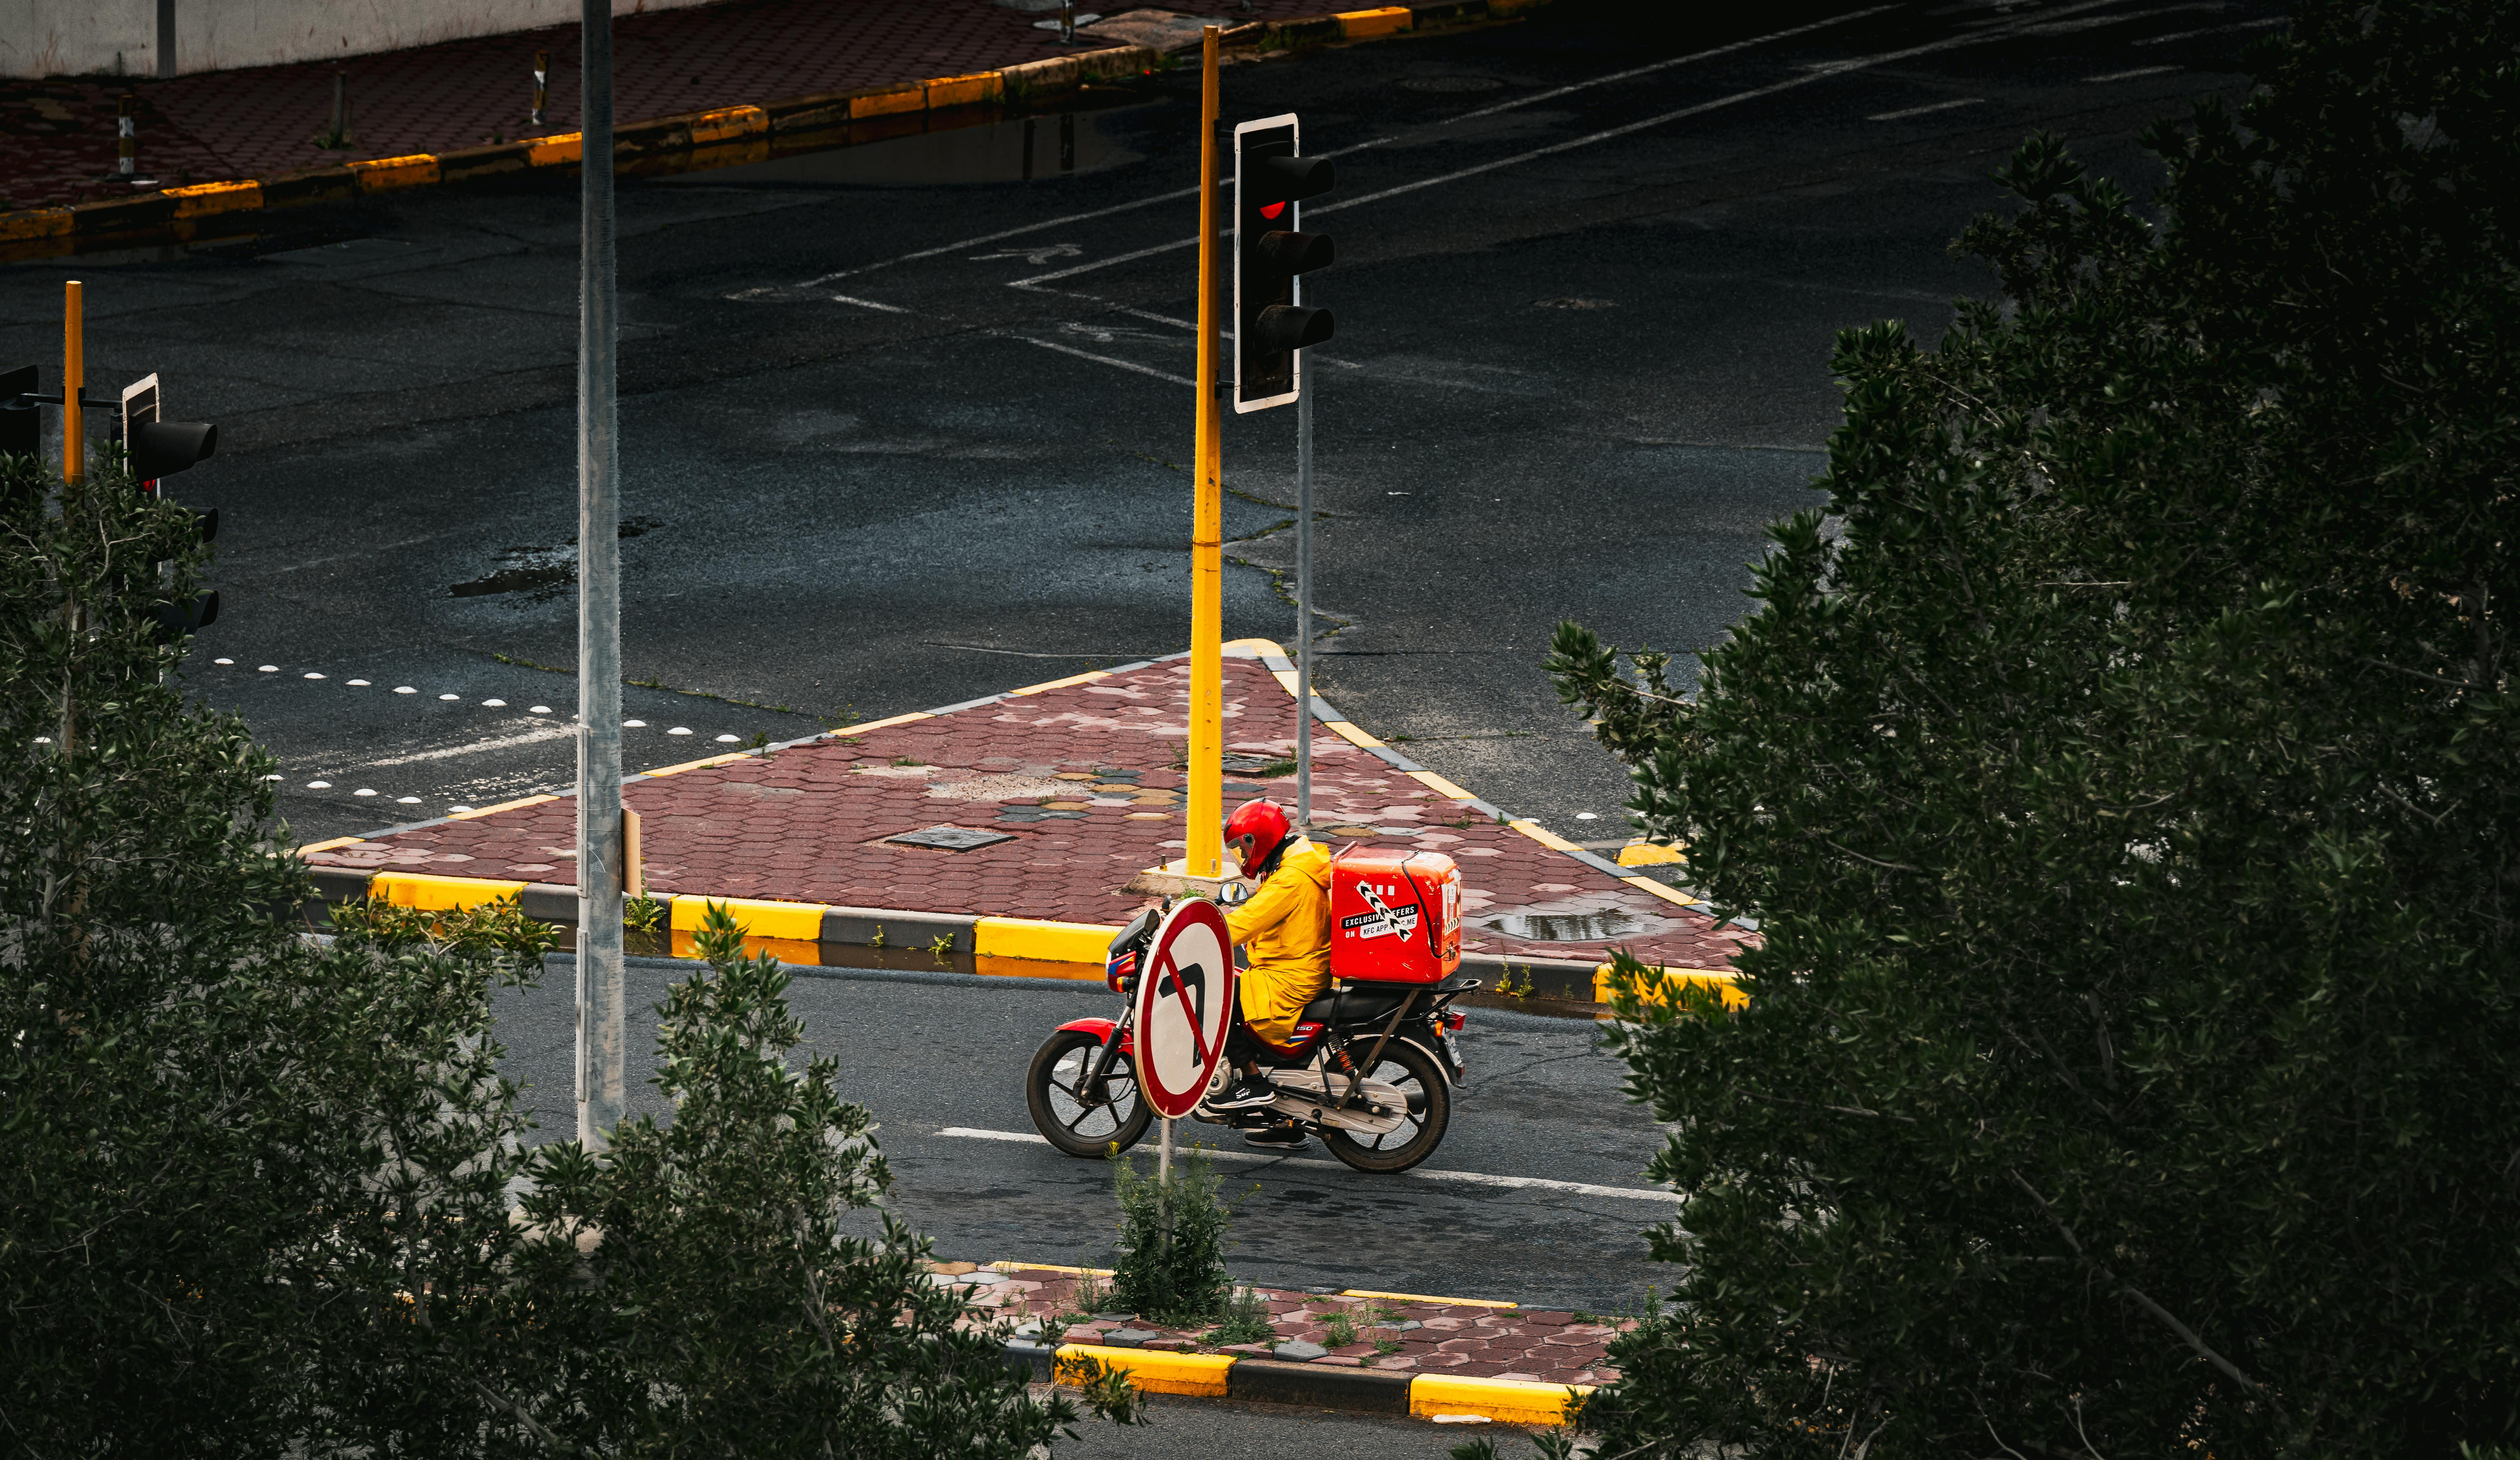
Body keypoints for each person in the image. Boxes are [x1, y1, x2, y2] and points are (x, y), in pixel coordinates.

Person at [1208, 798, 1333, 1147]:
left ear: (1256, 840)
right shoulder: (1295, 860)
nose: (1241, 858)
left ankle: (1253, 1082)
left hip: (1292, 976)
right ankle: (1285, 1120)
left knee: (1223, 993)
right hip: (1298, 966)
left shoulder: (1289, 880)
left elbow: (1246, 922)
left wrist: (1197, 932)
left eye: (1240, 849)